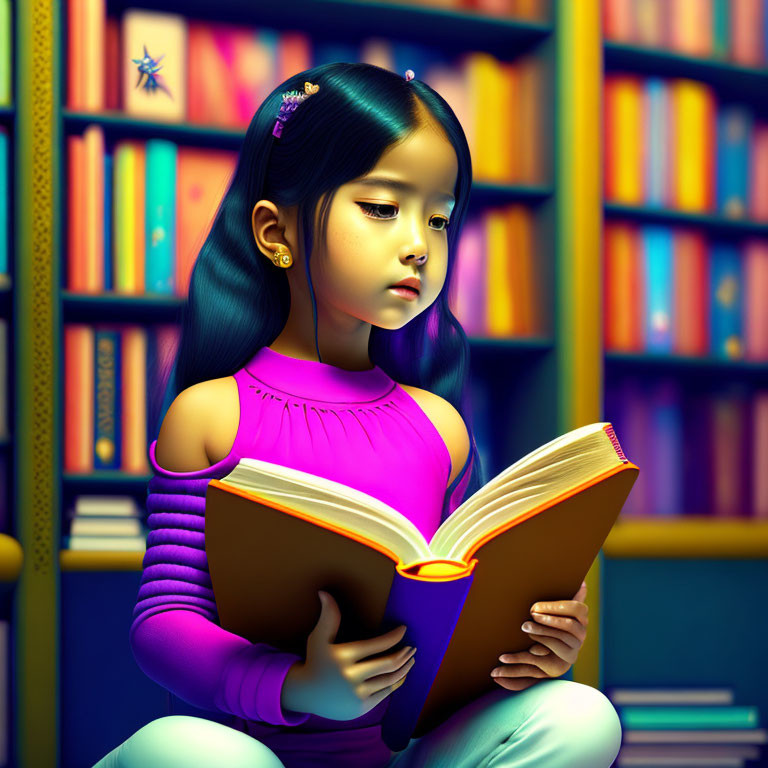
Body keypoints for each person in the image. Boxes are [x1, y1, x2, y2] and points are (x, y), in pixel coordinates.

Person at [91, 62, 622, 768]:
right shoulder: (210, 413)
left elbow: (444, 609)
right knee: (181, 750)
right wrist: (297, 685)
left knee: (581, 715)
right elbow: (164, 625)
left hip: (391, 752)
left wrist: (531, 644)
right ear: (276, 231)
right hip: (252, 755)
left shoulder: (440, 427)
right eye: (382, 208)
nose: (418, 244)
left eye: (439, 218)